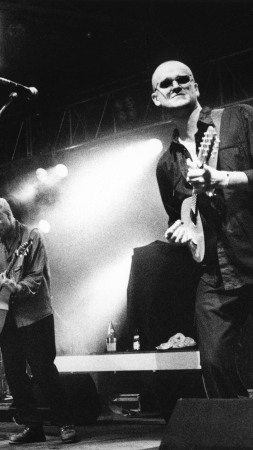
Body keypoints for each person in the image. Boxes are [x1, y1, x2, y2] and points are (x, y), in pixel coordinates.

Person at [152, 60, 253, 399]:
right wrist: (181, 231)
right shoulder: (166, 165)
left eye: (184, 79)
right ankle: (238, 424)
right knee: (213, 361)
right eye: (166, 83)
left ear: (195, 86)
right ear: (156, 98)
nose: (176, 85)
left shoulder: (237, 119)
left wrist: (227, 178)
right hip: (217, 272)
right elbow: (179, 217)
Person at [0, 197, 78, 444]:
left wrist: (17, 287)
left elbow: (35, 278)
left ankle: (65, 422)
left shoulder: (31, 237)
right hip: (6, 320)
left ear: (9, 214)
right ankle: (33, 427)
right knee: (14, 375)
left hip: (35, 316)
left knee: (44, 371)